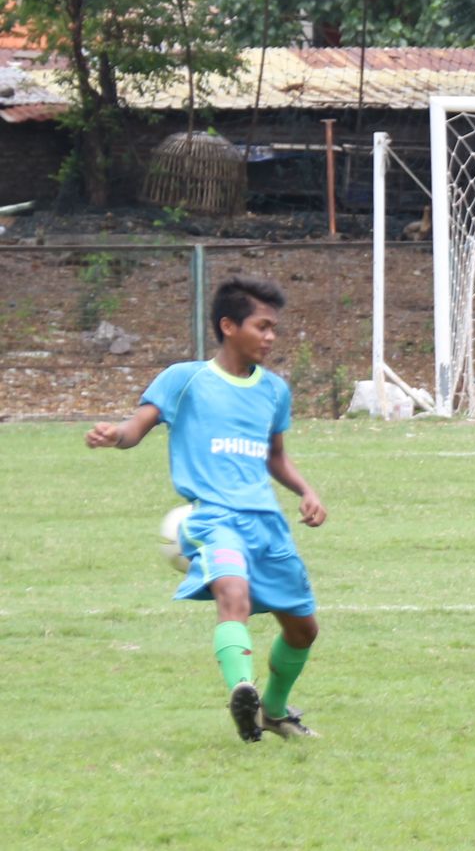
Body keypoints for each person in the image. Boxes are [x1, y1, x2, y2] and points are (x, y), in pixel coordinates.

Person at [85, 277, 326, 742]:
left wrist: (306, 491)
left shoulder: (274, 390)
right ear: (229, 326)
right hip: (215, 518)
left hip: (268, 524)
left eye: (274, 328)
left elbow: (274, 455)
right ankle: (242, 689)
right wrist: (115, 434)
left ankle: (273, 711)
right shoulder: (185, 379)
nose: (271, 337)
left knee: (303, 630)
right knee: (231, 596)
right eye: (263, 326)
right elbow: (137, 428)